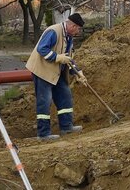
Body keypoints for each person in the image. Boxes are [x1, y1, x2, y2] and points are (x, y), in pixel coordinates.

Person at [25, 12, 86, 141]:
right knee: (45, 101)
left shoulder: (69, 37)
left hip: (55, 72)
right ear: (73, 26)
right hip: (42, 71)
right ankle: (43, 134)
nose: (78, 32)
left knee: (65, 95)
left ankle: (66, 126)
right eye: (78, 29)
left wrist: (78, 72)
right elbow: (41, 49)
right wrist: (57, 57)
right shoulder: (53, 31)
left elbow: (68, 58)